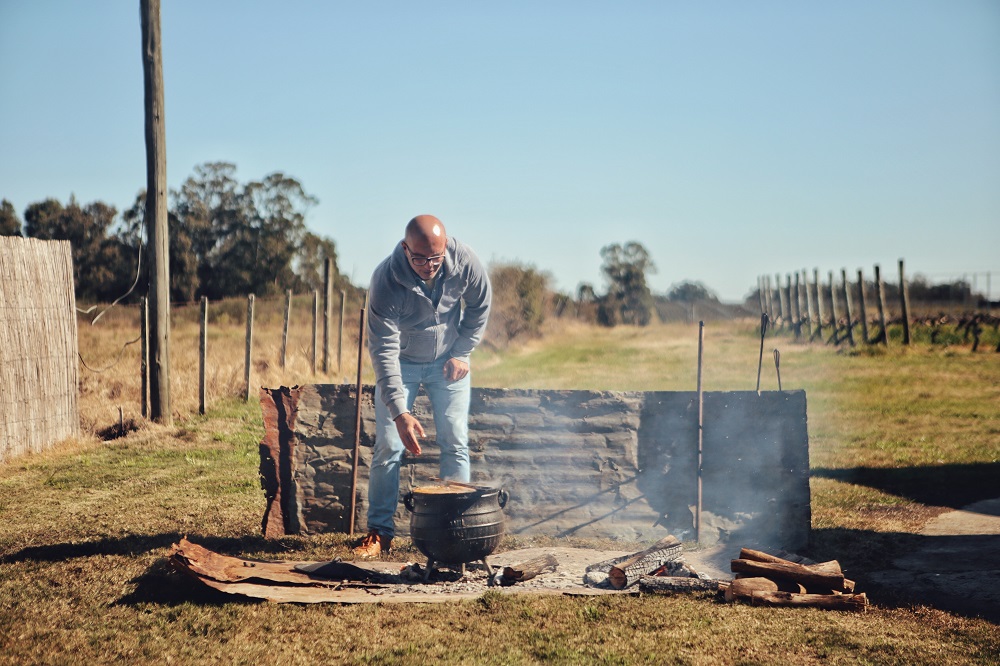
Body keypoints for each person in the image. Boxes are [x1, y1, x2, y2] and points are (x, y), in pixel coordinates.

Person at [353, 215, 492, 558]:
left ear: (446, 248)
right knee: (388, 445)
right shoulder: (385, 279)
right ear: (405, 249)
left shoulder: (465, 262)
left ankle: (455, 528)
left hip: (450, 363)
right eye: (419, 259)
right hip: (402, 364)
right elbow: (383, 350)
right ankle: (380, 533)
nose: (428, 266)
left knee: (455, 440)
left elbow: (480, 306)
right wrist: (400, 411)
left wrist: (462, 352)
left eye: (435, 258)